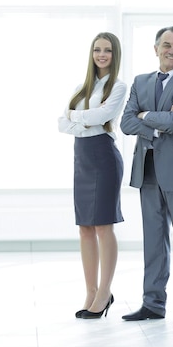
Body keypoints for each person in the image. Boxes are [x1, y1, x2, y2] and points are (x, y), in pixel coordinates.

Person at [119, 26, 173, 325]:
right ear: (155, 48)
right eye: (166, 44)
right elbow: (126, 122)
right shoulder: (140, 82)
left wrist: (145, 116)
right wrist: (156, 122)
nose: (171, 50)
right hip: (148, 170)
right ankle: (152, 303)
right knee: (154, 241)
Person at [58, 32, 127, 319]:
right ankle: (90, 291)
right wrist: (82, 119)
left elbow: (101, 119)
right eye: (97, 50)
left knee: (102, 226)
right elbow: (62, 122)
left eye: (107, 50)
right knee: (85, 227)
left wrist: (79, 118)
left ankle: (104, 292)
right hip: (82, 159)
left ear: (115, 54)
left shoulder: (119, 87)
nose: (101, 55)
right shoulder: (81, 87)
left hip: (103, 158)